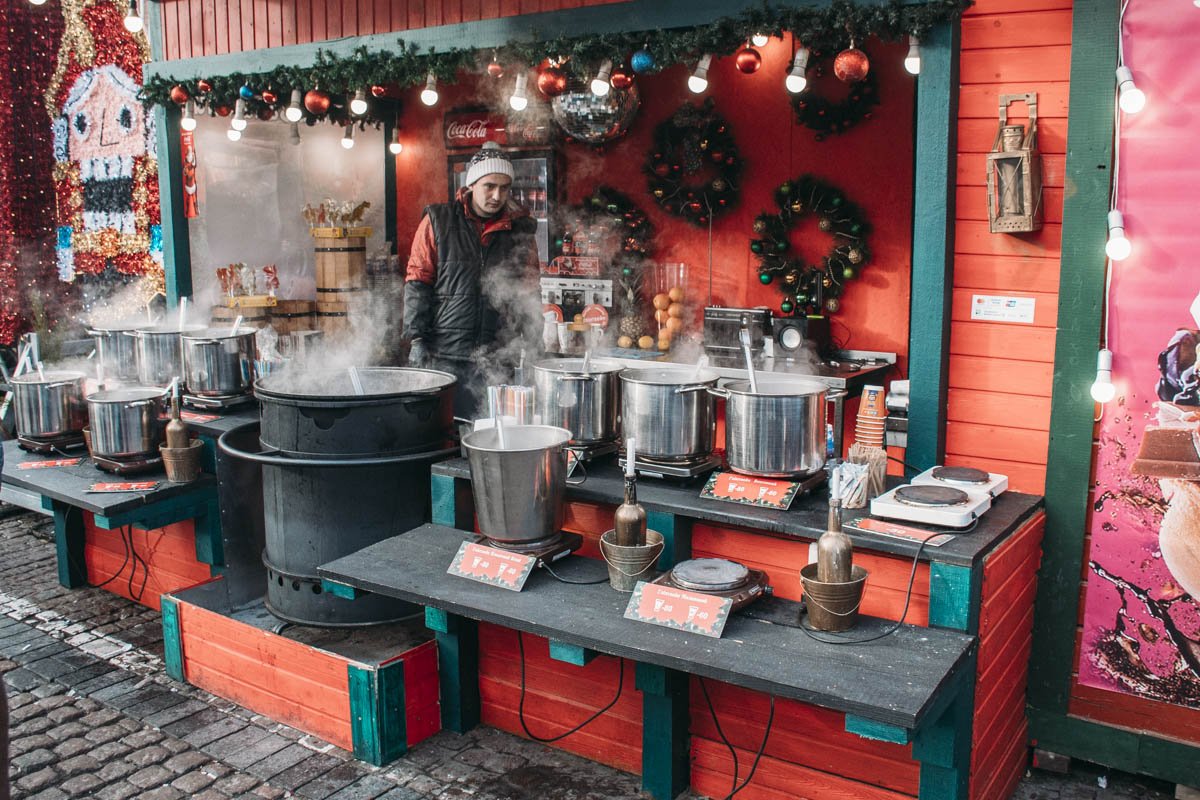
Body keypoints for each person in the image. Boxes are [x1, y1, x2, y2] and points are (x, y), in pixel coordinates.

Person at [403, 141, 540, 417]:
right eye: (489, 186)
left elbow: (528, 290)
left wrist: (536, 342)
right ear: (472, 184)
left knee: (496, 435)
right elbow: (418, 281)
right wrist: (416, 339)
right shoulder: (438, 221)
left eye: (504, 187)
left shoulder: (520, 229)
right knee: (448, 432)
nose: (497, 195)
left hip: (499, 354)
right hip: (446, 354)